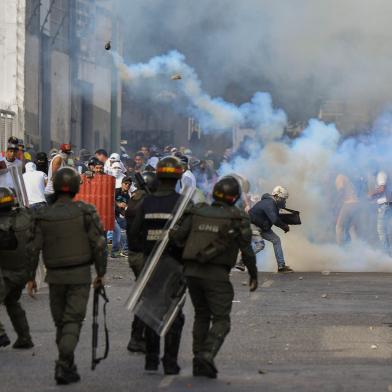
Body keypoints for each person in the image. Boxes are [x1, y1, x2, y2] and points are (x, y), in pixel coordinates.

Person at [170, 176, 258, 378]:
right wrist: (253, 275)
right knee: (221, 320)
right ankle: (206, 355)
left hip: (190, 272)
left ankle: (198, 358)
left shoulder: (197, 210)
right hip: (216, 273)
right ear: (235, 197)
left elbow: (176, 238)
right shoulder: (238, 218)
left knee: (201, 314)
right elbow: (247, 250)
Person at [30, 168, 107, 385]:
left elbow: (32, 249)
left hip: (54, 278)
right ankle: (64, 364)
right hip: (80, 276)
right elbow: (99, 245)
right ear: (76, 187)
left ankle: (67, 363)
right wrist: (101, 273)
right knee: (72, 321)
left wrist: (30, 277)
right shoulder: (85, 211)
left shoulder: (43, 215)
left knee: (61, 323)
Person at [129, 156, 185, 374]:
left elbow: (133, 234)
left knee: (151, 311)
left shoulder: (146, 202)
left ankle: (151, 360)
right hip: (174, 265)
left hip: (150, 263)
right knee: (174, 316)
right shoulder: (182, 202)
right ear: (179, 175)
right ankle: (169, 362)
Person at [125, 171, 158, 353]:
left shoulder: (136, 197)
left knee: (146, 295)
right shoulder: (145, 202)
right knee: (147, 297)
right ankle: (136, 338)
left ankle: (138, 336)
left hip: (136, 253)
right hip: (142, 253)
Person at [0, 187, 35, 349]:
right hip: (24, 271)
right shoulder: (26, 216)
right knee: (12, 302)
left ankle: (0, 334)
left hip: (5, 273)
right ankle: (24, 338)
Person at [249, 186, 293, 273]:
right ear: (277, 196)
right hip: (252, 226)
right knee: (260, 245)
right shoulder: (269, 203)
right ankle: (242, 259)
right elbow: (275, 219)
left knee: (276, 240)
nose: (284, 201)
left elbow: (275, 216)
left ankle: (281, 266)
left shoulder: (272, 203)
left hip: (262, 227)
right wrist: (284, 226)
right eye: (283, 199)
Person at [369, 169, 392, 254]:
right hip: (386, 205)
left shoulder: (380, 174)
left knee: (381, 230)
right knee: (387, 230)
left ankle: (386, 254)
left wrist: (371, 194)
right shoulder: (381, 175)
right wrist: (374, 200)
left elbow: (382, 189)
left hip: (385, 206)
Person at [335, 174, 359, 245]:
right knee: (351, 228)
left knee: (339, 227)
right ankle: (357, 248)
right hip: (356, 203)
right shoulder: (346, 177)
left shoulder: (339, 177)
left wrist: (337, 204)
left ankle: (340, 249)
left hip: (349, 203)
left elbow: (341, 190)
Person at [112, 177, 131, 258]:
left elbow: (124, 209)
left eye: (129, 184)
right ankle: (114, 251)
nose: (127, 185)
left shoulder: (127, 196)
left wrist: (126, 213)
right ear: (122, 184)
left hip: (118, 216)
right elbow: (110, 200)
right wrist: (118, 204)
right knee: (118, 231)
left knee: (130, 228)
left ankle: (125, 250)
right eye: (126, 183)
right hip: (110, 215)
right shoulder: (116, 191)